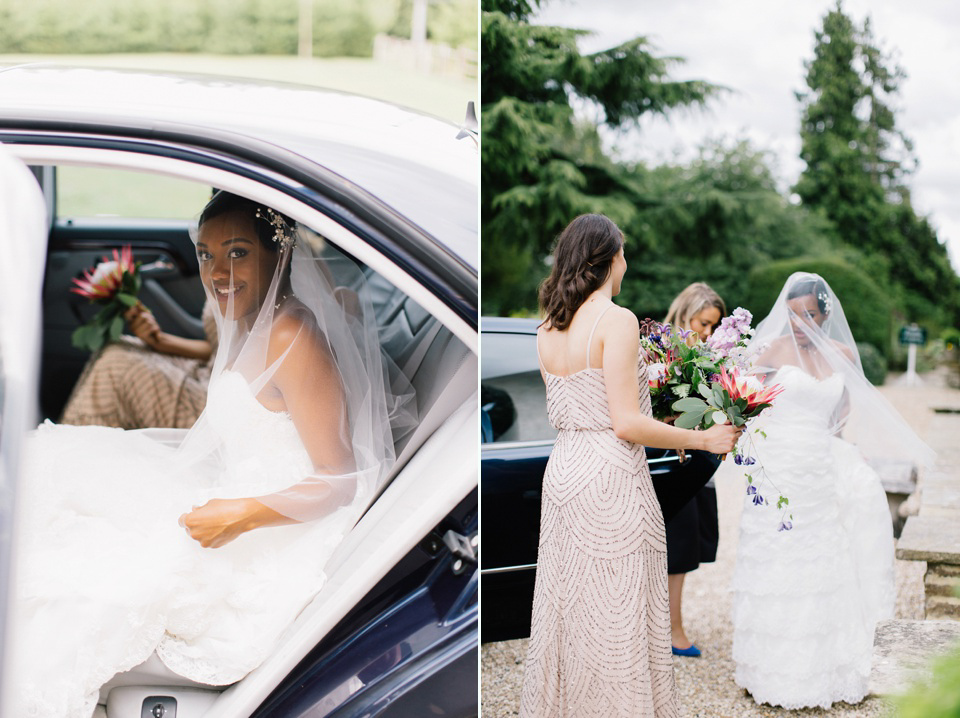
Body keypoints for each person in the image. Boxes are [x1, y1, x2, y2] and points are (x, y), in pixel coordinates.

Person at [9, 191, 408, 717]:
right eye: (205, 255)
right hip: (230, 494)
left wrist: (242, 514)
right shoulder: (250, 321)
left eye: (238, 253)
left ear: (279, 254)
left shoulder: (295, 335)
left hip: (270, 531)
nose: (217, 272)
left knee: (70, 589)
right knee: (57, 465)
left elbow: (339, 478)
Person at [518, 214, 741, 718]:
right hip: (610, 477)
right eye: (622, 253)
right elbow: (623, 423)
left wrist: (671, 414)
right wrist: (701, 435)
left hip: (566, 469)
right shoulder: (615, 320)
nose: (627, 261)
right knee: (618, 613)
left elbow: (599, 408)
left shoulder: (547, 327)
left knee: (571, 608)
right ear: (607, 260)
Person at [730, 272, 935, 709]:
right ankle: (769, 666)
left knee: (821, 556)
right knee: (777, 558)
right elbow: (742, 405)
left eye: (809, 316)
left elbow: (840, 415)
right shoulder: (769, 350)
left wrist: (845, 454)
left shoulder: (841, 353)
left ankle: (821, 664)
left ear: (825, 315)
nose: (800, 325)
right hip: (780, 464)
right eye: (793, 316)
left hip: (819, 467)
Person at [662, 283, 725, 657]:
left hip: (694, 460)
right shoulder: (660, 350)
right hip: (666, 460)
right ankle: (671, 629)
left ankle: (670, 626)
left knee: (682, 551)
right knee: (673, 549)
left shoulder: (708, 355)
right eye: (704, 323)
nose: (708, 333)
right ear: (687, 313)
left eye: (714, 326)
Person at [60, 297, 217, 429]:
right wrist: (160, 341)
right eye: (207, 257)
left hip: (219, 404)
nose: (215, 272)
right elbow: (220, 348)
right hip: (208, 368)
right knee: (119, 346)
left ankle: (76, 453)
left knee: (116, 366)